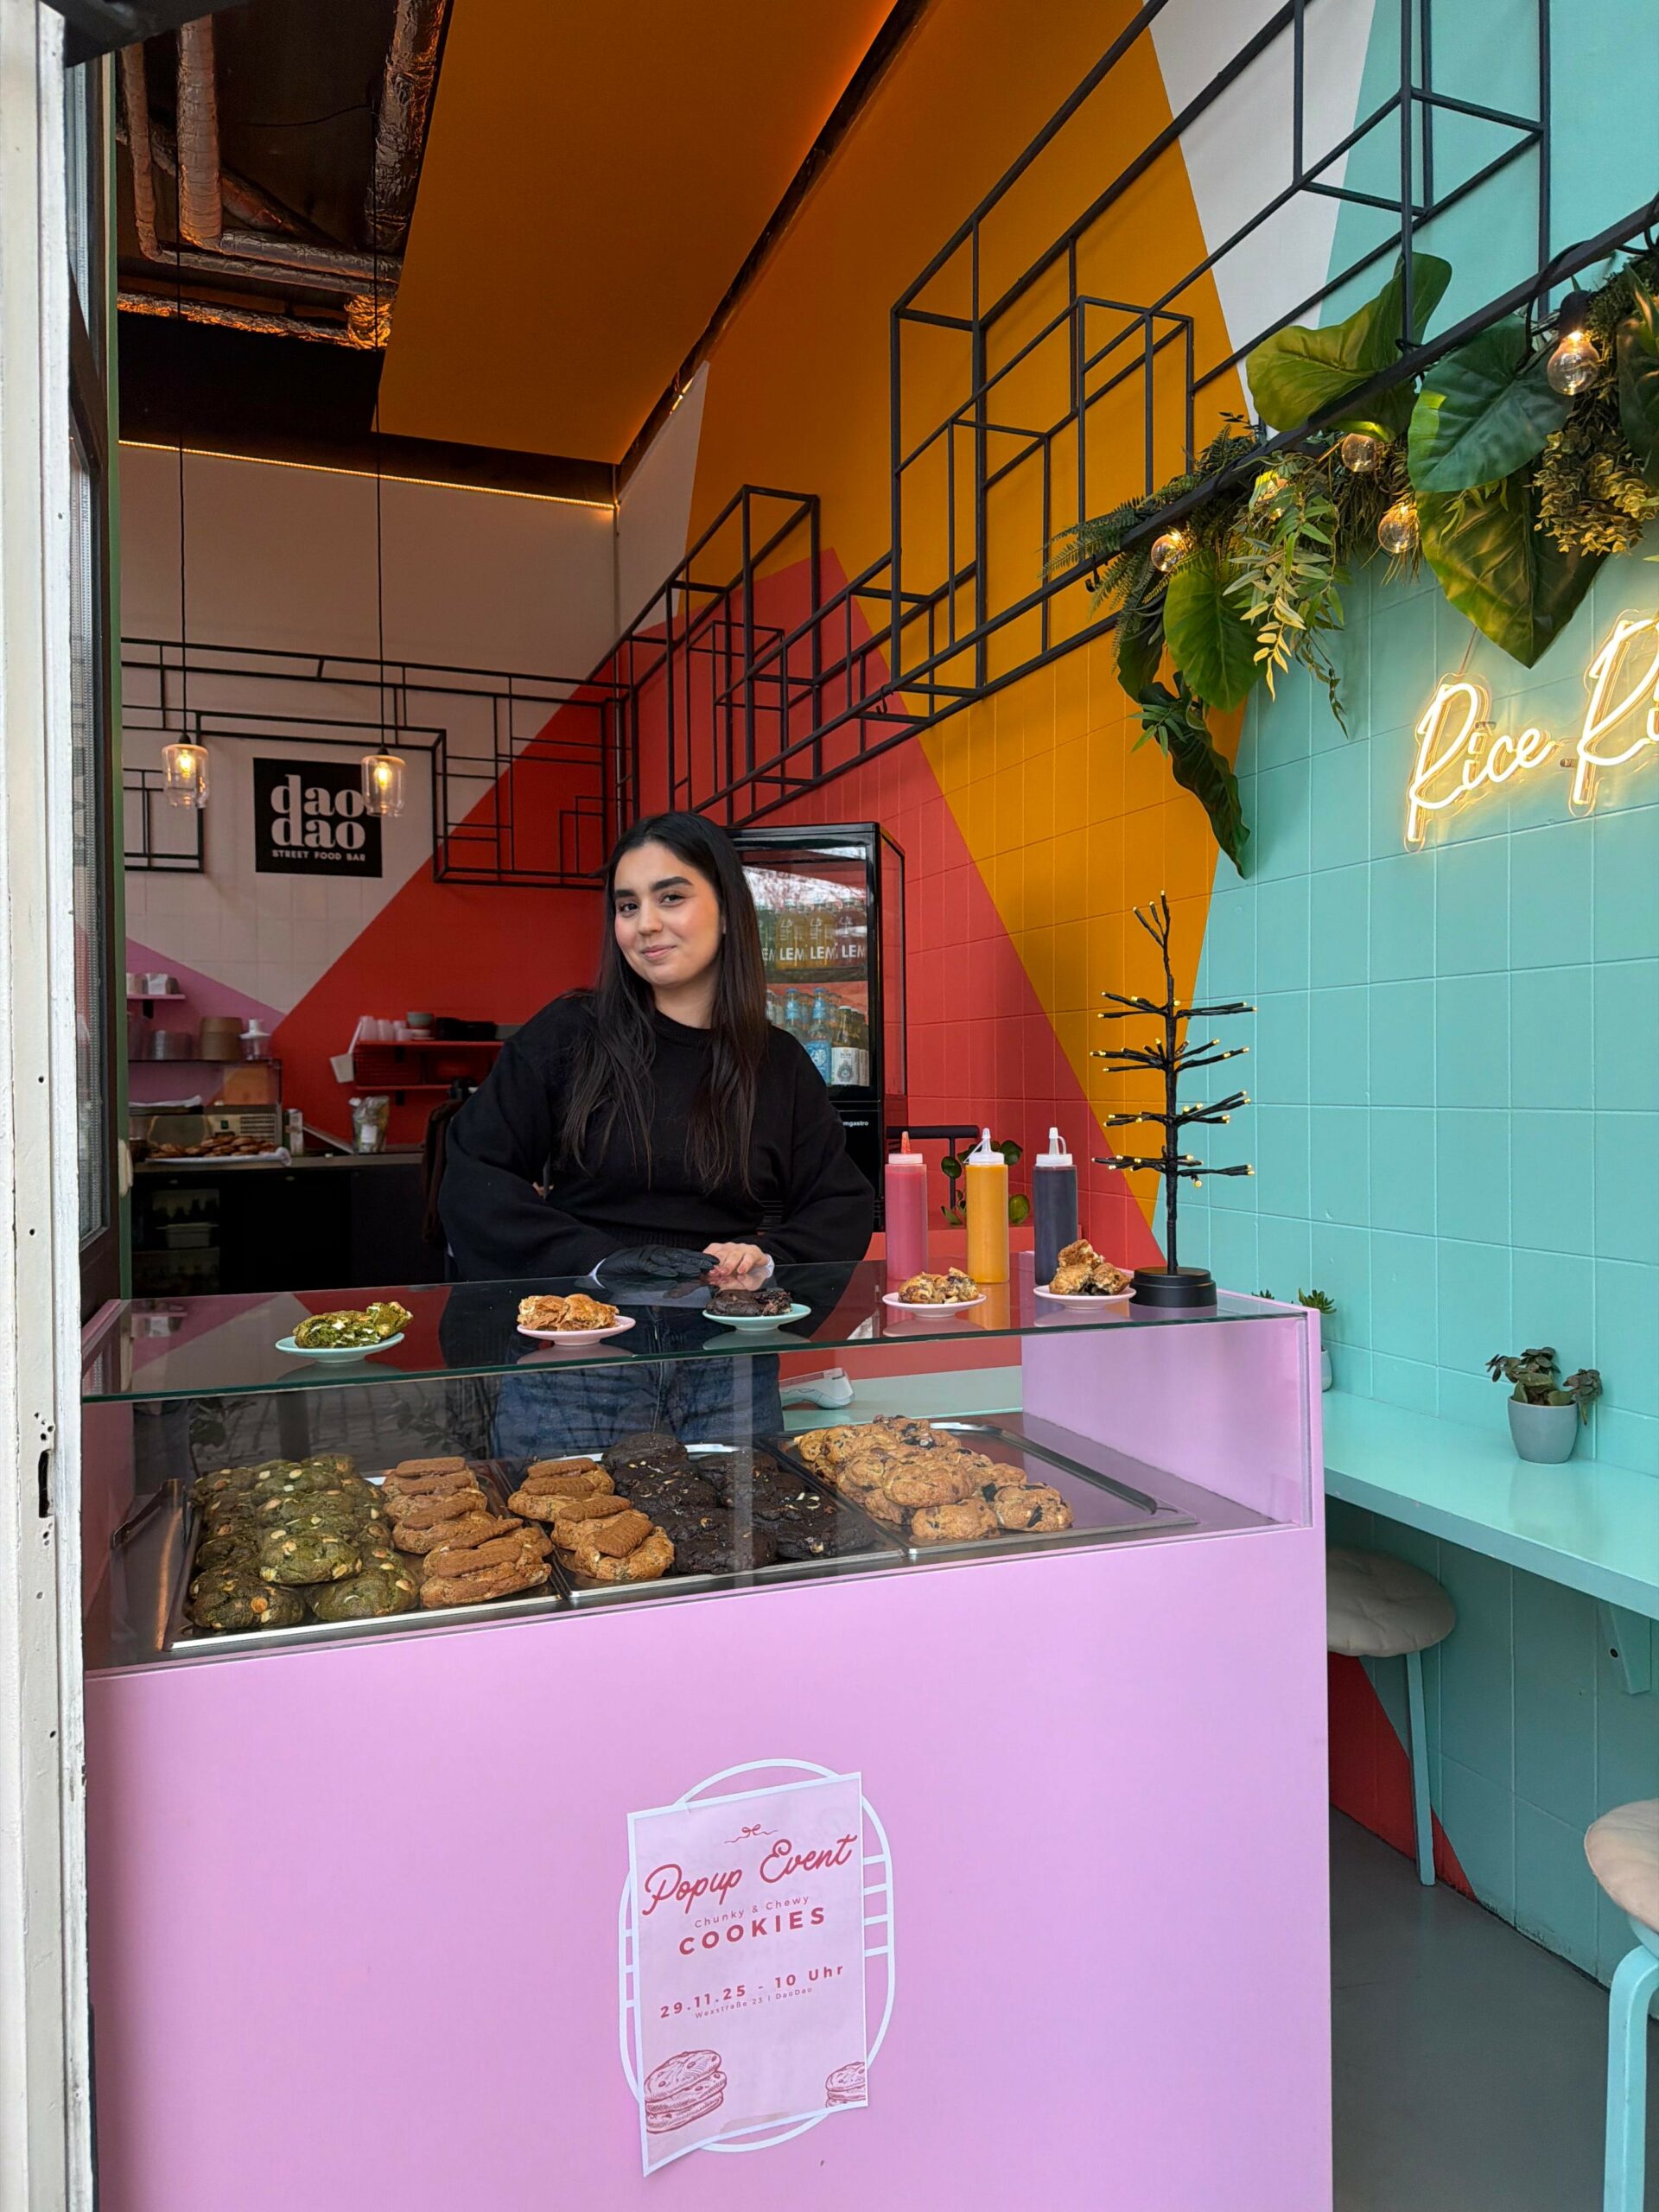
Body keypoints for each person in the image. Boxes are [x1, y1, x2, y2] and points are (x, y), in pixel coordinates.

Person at [439, 811, 874, 1446]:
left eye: (671, 897)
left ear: (727, 910)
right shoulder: (570, 1035)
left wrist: (767, 1267)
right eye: (627, 905)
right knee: (568, 1541)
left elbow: (841, 1200)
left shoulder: (776, 1062)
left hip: (727, 1363)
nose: (645, 924)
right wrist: (598, 1265)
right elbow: (473, 1174)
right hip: (580, 1357)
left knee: (736, 1542)